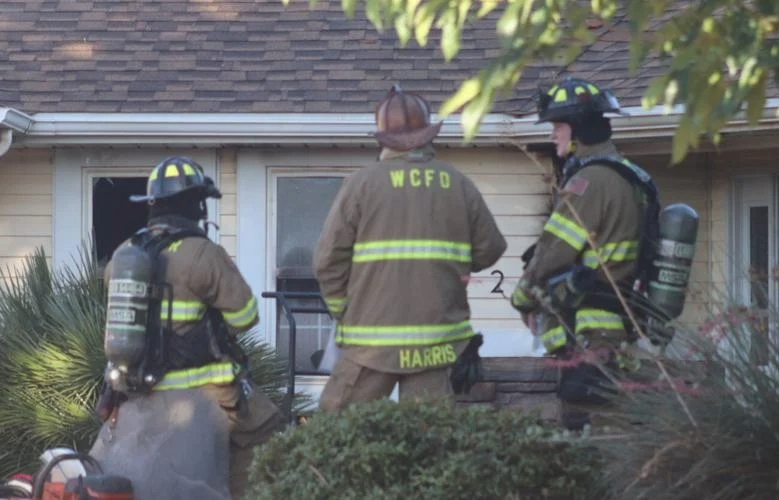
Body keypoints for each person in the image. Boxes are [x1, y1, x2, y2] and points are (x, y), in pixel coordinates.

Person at [313, 84, 507, 412]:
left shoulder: (362, 184)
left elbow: (327, 261)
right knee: (429, 445)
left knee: (337, 434)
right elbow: (490, 249)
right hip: (438, 345)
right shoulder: (458, 183)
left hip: (370, 344)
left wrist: (343, 311)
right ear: (429, 135)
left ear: (383, 139)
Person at [103, 156, 284, 498]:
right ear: (195, 205)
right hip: (207, 392)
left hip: (138, 393)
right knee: (265, 430)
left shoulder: (124, 255)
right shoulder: (203, 253)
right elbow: (245, 318)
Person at [510, 77, 662, 429]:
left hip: (590, 327)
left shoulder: (589, 182)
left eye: (558, 126)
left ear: (578, 131)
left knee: (586, 425)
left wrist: (522, 298)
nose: (553, 135)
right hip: (623, 322)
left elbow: (553, 252)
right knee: (614, 420)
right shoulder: (635, 177)